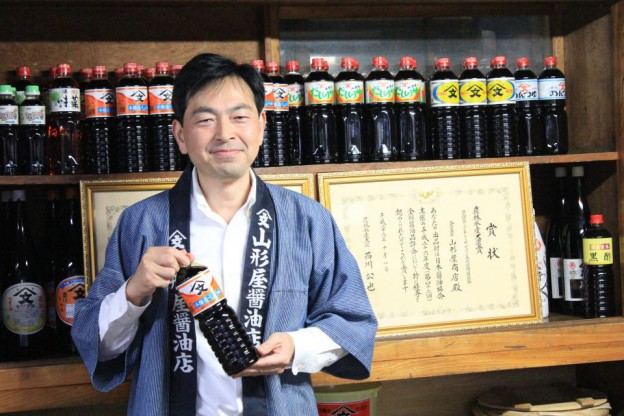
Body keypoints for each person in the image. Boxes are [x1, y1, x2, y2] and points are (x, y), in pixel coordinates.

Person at [72, 53, 377, 416]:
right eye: (205, 119)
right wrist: (134, 292)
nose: (224, 133)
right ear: (180, 135)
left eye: (239, 117)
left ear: (261, 125)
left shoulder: (307, 220)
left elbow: (354, 324)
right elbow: (96, 344)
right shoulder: (141, 223)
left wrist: (297, 347)